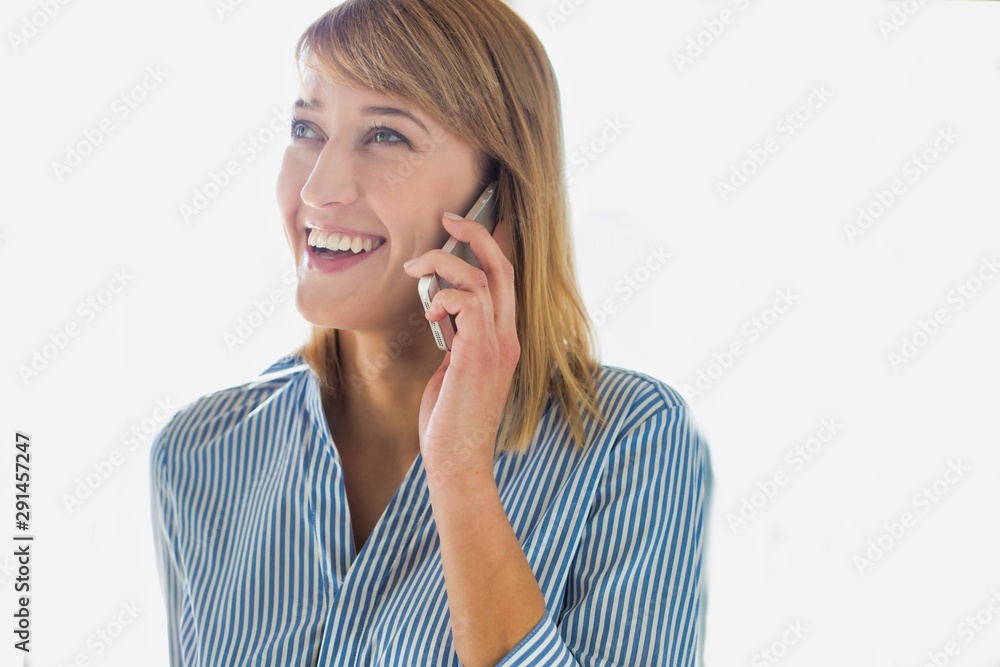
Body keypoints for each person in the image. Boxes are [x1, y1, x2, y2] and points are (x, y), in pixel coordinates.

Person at [149, 0, 713, 665]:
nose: (318, 188)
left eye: (386, 135)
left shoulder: (631, 441)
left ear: (497, 197)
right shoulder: (199, 455)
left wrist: (460, 474)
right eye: (307, 127)